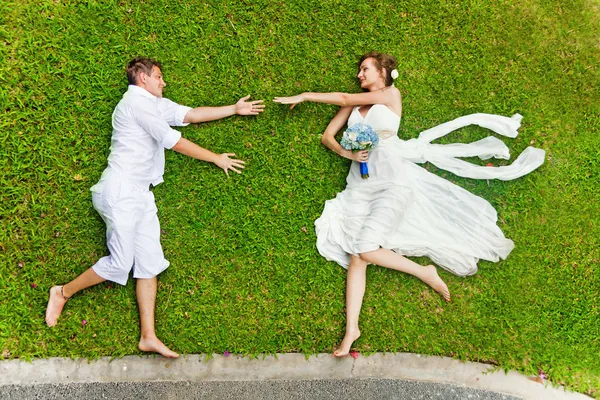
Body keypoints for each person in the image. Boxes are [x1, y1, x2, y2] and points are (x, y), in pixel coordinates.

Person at [274, 52, 544, 357]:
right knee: (357, 255)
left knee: (364, 248)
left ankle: (424, 272)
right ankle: (352, 330)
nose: (359, 74)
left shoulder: (391, 94)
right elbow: (327, 137)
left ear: (384, 71)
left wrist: (305, 95)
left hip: (392, 181)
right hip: (360, 186)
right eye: (359, 71)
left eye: (364, 69)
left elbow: (342, 95)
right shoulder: (354, 104)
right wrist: (348, 154)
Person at [45, 57, 264, 358]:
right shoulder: (136, 104)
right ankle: (62, 291)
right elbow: (173, 141)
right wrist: (216, 157)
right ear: (142, 78)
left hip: (141, 195)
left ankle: (148, 336)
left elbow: (190, 115)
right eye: (159, 77)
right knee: (121, 263)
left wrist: (234, 109)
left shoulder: (155, 104)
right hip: (120, 190)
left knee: (149, 262)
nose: (164, 82)